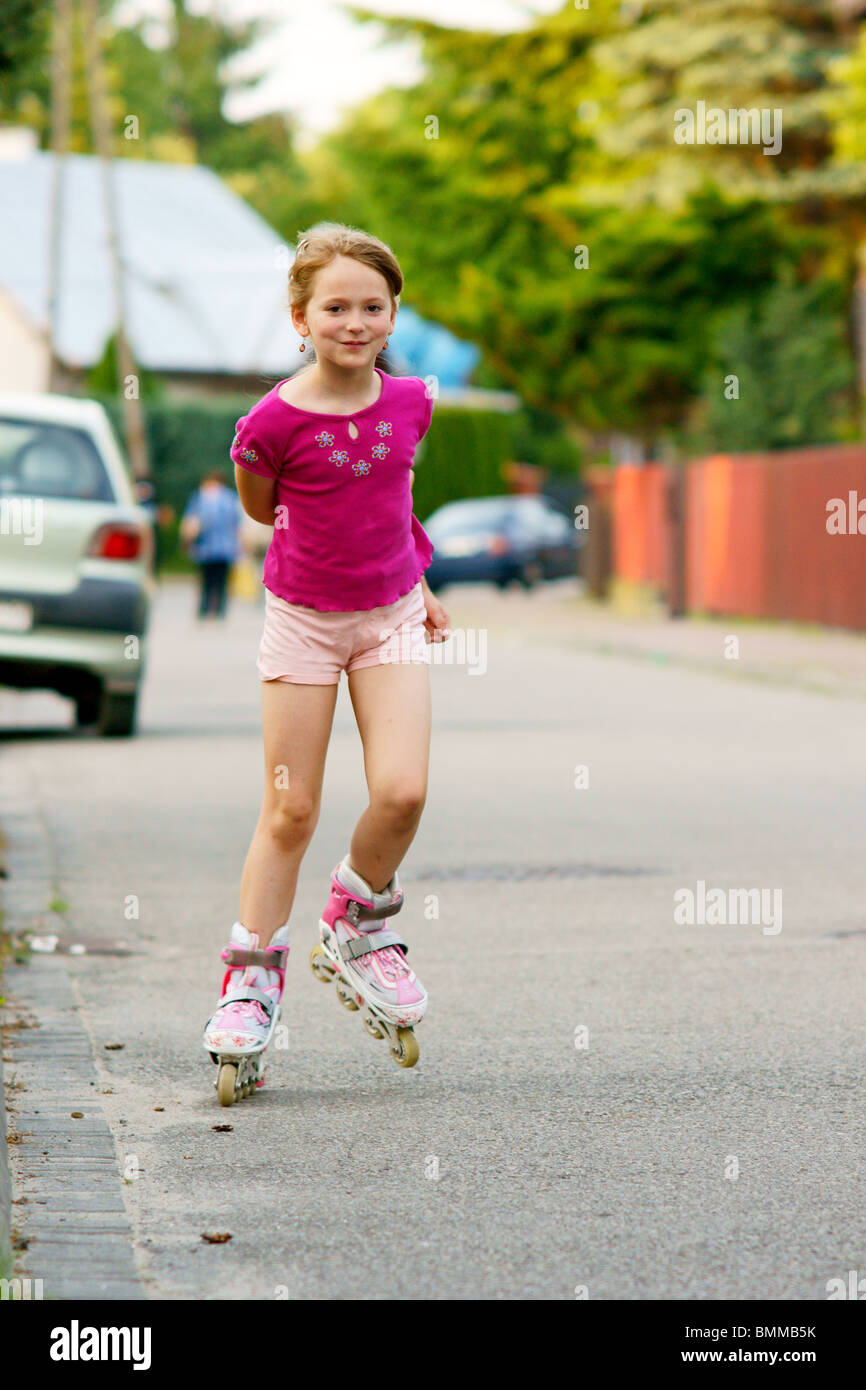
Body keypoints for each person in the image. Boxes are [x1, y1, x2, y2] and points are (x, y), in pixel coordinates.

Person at [202, 224, 451, 1097]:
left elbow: (390, 499)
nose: (354, 321)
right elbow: (268, 513)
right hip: (303, 622)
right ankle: (250, 979)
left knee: (403, 792)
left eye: (372, 306)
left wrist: (417, 581)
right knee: (291, 810)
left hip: (387, 619)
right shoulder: (268, 423)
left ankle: (356, 920)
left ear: (392, 317)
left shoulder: (415, 400)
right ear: (301, 317)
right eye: (335, 307)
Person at [180, 469, 243, 619]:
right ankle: (220, 610)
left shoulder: (200, 497)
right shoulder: (231, 498)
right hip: (226, 547)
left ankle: (204, 609)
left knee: (206, 580)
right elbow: (239, 524)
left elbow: (191, 522)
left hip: (205, 548)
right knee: (222, 581)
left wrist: (186, 542)